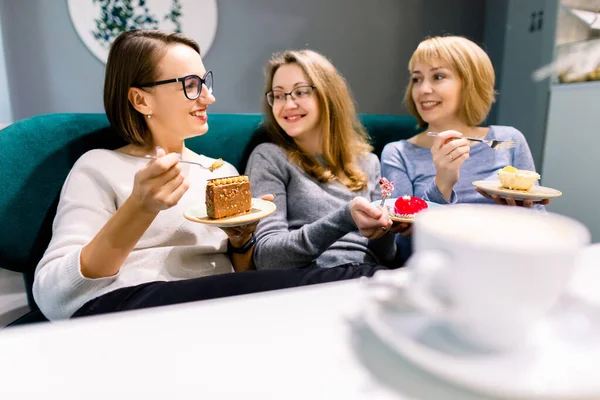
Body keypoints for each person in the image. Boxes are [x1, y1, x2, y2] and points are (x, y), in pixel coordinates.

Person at [32, 31, 387, 321]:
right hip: (128, 307)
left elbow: (245, 279)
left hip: (213, 310)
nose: (209, 97)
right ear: (141, 101)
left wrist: (242, 241)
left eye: (205, 82)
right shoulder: (99, 166)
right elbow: (53, 293)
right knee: (358, 280)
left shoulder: (220, 173)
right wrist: (139, 208)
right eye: (190, 84)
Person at [246, 50, 398, 271]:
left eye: (301, 92)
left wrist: (387, 228)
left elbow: (386, 256)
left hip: (369, 277)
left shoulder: (368, 162)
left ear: (328, 94)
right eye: (278, 95)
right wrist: (346, 217)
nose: (288, 105)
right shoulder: (270, 156)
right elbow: (268, 258)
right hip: (309, 281)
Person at [381, 35, 548, 213]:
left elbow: (538, 221)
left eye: (438, 76)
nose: (423, 89)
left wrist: (519, 214)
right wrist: (442, 183)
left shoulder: (509, 140)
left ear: (470, 84)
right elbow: (401, 237)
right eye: (417, 79)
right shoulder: (398, 154)